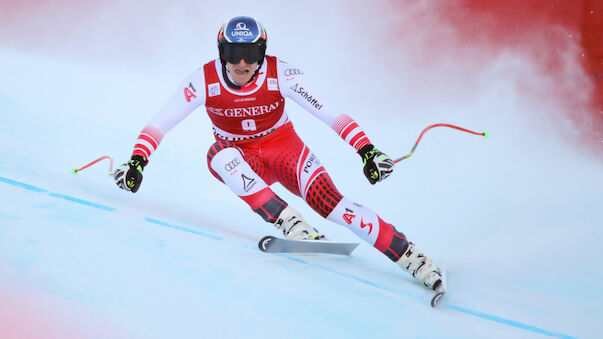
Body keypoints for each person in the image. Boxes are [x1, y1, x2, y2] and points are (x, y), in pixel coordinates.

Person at [114, 16, 442, 291]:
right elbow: (160, 123)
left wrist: (366, 150)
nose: (241, 63)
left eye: (250, 53)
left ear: (262, 52)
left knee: (334, 207)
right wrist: (138, 161)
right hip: (243, 157)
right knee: (218, 155)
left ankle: (412, 257)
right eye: (233, 52)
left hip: (285, 150)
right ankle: (291, 224)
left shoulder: (282, 74)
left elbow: (331, 114)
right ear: (221, 51)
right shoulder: (203, 79)